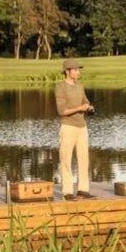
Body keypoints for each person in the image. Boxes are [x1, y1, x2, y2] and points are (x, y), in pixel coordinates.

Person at [54, 58, 95, 200]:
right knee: (66, 159)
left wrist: (89, 107)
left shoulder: (80, 86)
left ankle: (83, 189)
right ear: (67, 71)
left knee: (84, 159)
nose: (78, 72)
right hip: (68, 127)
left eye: (79, 69)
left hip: (82, 127)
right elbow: (61, 111)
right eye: (76, 69)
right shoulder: (61, 87)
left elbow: (86, 101)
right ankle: (67, 192)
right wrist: (79, 108)